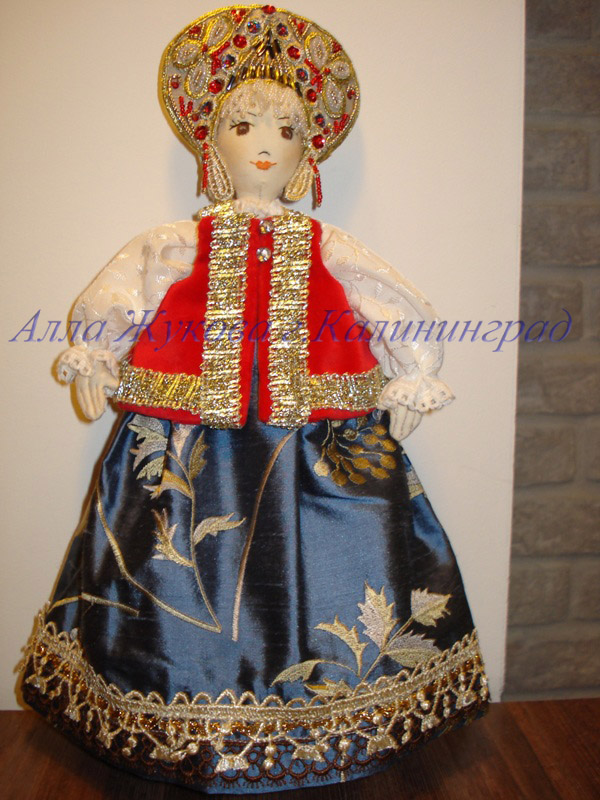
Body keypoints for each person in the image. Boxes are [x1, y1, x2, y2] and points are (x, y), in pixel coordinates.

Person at [19, 6, 489, 794]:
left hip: (320, 446)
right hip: (184, 441)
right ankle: (181, 713)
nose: (265, 145)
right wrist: (96, 350)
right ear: (214, 145)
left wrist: (412, 371)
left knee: (334, 568)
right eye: (243, 127)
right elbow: (125, 290)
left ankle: (327, 719)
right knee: (173, 562)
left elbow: (390, 300)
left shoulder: (329, 246)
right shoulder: (178, 243)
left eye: (286, 131)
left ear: (309, 153)